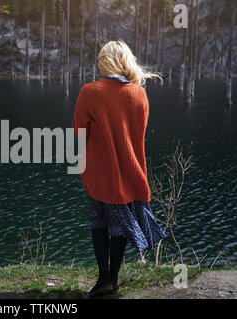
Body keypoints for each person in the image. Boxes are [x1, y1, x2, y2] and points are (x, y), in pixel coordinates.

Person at [72, 40, 166, 297]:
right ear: (125, 61)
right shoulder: (139, 94)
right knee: (120, 225)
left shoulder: (90, 92)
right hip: (129, 171)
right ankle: (113, 278)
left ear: (104, 62)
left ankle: (104, 278)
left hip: (98, 173)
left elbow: (79, 132)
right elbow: (137, 133)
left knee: (98, 222)